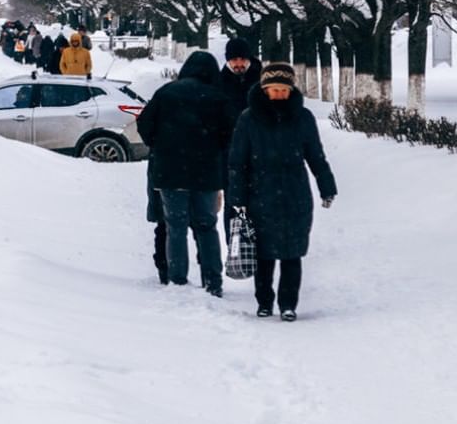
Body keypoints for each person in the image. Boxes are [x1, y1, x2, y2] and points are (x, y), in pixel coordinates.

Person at [228, 61, 337, 321]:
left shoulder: (303, 117)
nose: (279, 94)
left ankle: (288, 304)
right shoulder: (248, 118)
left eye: (284, 90)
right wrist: (238, 197)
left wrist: (326, 187)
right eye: (274, 89)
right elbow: (237, 162)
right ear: (265, 89)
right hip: (259, 194)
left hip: (295, 194)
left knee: (292, 253)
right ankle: (264, 302)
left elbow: (316, 156)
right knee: (264, 254)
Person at [137, 51, 230, 295]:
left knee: (175, 226)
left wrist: (159, 144)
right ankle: (213, 282)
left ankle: (177, 280)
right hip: (206, 173)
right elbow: (229, 134)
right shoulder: (218, 98)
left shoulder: (167, 93)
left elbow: (144, 124)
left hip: (170, 172)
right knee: (207, 227)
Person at [218, 37, 263, 235]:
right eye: (234, 60)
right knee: (233, 203)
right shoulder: (219, 84)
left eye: (242, 59)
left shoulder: (262, 82)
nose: (238, 64)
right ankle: (235, 250)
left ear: (249, 59)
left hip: (259, 154)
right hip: (230, 156)